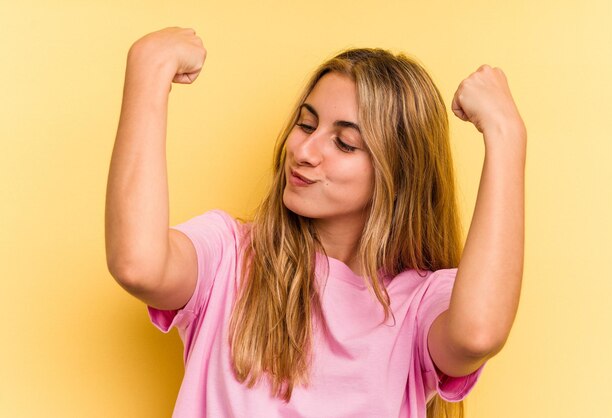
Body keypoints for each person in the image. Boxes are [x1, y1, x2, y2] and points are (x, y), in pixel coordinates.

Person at [105, 27, 526, 418]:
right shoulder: (229, 256)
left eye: (344, 143)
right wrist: (150, 67)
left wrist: (506, 134)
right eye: (305, 124)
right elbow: (139, 264)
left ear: (398, 173)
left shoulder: (421, 304)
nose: (304, 150)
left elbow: (477, 334)